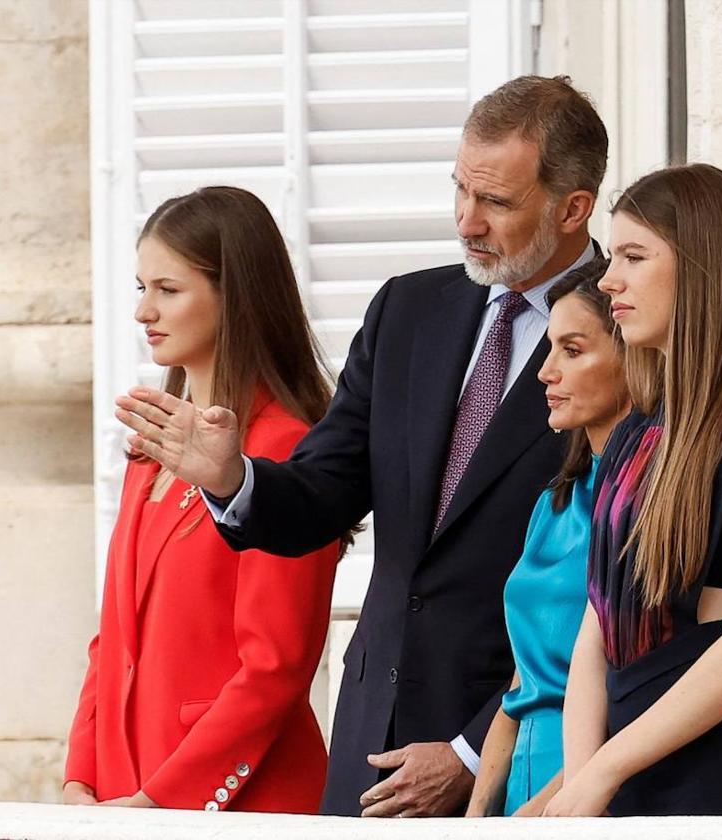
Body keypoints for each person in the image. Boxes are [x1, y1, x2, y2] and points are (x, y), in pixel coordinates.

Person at [115, 75, 609, 816]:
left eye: (496, 203)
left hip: (531, 755)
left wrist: (475, 751)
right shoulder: (408, 309)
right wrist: (234, 478)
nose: (466, 222)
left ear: (574, 208)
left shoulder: (631, 328)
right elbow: (322, 492)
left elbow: (620, 582)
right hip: (371, 745)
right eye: (460, 191)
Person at [544, 164, 722, 817]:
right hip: (628, 784)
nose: (608, 278)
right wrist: (580, 776)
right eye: (611, 255)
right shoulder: (636, 431)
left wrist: (598, 774)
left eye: (634, 256)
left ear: (705, 268)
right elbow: (599, 626)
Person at [63, 187, 340, 813]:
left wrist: (160, 802)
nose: (143, 312)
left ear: (232, 296)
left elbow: (275, 666)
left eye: (168, 289)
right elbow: (113, 639)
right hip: (125, 796)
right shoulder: (152, 445)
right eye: (141, 288)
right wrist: (81, 774)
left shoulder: (286, 451)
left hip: (241, 804)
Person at [464, 257, 630, 818]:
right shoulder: (552, 503)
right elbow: (518, 690)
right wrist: (477, 819)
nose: (545, 371)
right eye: (550, 348)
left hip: (594, 786)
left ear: (633, 359)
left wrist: (542, 812)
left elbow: (634, 699)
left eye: (573, 350)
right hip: (523, 789)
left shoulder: (652, 505)